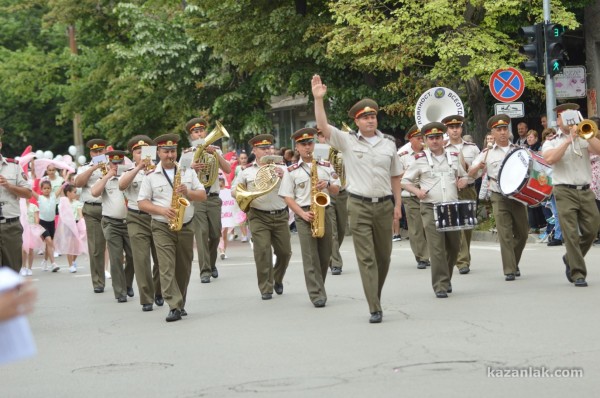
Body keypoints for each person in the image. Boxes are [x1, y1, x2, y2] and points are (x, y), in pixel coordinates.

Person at [311, 75, 403, 324]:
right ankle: (375, 307)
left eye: (372, 116)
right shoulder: (348, 141)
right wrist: (318, 99)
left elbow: (396, 176)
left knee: (384, 258)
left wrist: (398, 206)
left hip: (384, 205)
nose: (370, 120)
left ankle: (375, 295)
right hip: (359, 205)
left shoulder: (388, 144)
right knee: (366, 258)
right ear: (357, 121)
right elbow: (323, 126)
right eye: (365, 117)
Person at [138, 134, 207, 322]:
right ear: (158, 153)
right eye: (166, 152)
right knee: (166, 266)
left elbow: (202, 195)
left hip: (185, 224)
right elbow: (142, 202)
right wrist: (161, 209)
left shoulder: (188, 171)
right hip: (161, 225)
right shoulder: (151, 175)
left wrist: (188, 192)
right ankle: (174, 305)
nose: (170, 155)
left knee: (183, 267)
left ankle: (180, 302)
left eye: (172, 151)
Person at [402, 122, 468, 297]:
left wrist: (464, 181)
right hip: (431, 207)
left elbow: (464, 175)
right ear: (425, 140)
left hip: (452, 207)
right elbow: (405, 181)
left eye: (438, 137)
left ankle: (446, 278)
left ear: (442, 138)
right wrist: (417, 191)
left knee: (454, 246)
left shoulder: (453, 156)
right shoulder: (419, 160)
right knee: (437, 247)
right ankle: (440, 285)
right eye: (431, 138)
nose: (435, 141)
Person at [279, 128, 340, 307]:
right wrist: (301, 213)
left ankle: (319, 285)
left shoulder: (326, 166)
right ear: (297, 147)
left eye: (310, 143)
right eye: (303, 144)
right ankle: (317, 294)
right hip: (304, 213)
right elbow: (287, 196)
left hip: (324, 210)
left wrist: (327, 184)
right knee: (310, 256)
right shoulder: (292, 170)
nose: (307, 147)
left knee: (325, 254)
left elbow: (337, 189)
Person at [542, 103, 600, 287]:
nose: (568, 120)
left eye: (571, 115)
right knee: (571, 234)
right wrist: (568, 141)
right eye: (563, 117)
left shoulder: (585, 135)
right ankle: (578, 273)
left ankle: (570, 258)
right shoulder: (552, 141)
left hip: (585, 189)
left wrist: (585, 131)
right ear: (558, 121)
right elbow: (550, 159)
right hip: (564, 191)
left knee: (592, 229)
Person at [232, 134, 291, 300]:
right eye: (263, 148)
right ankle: (266, 287)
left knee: (285, 252)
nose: (267, 150)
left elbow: (293, 189)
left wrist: (284, 176)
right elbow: (234, 190)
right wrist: (246, 194)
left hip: (280, 214)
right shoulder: (247, 172)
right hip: (258, 215)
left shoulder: (283, 169)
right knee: (262, 251)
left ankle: (277, 278)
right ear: (255, 150)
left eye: (269, 147)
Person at [470, 115, 528, 281]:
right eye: (498, 130)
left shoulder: (517, 149)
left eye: (505, 129)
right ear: (492, 133)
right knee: (505, 233)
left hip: (517, 195)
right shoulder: (486, 154)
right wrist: (476, 169)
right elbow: (472, 173)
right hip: (498, 195)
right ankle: (509, 269)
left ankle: (513, 262)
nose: (503, 132)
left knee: (523, 233)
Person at [119, 135, 163, 312]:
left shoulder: (159, 170)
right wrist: (138, 167)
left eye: (145, 152)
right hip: (136, 217)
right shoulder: (128, 170)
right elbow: (122, 185)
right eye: (138, 152)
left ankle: (159, 291)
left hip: (157, 217)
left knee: (160, 258)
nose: (142, 155)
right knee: (141, 259)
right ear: (133, 155)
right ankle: (146, 298)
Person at [185, 118, 232, 284]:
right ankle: (204, 271)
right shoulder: (187, 153)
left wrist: (215, 156)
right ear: (191, 135)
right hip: (197, 199)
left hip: (213, 197)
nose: (199, 133)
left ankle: (211, 264)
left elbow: (227, 169)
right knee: (201, 234)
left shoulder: (216, 150)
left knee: (215, 234)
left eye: (202, 131)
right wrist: (192, 167)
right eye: (195, 131)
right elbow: (181, 175)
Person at [91, 150, 135, 303]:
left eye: (119, 163)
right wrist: (107, 175)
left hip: (130, 222)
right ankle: (120, 291)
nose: (116, 166)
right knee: (116, 258)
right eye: (113, 163)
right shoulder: (105, 178)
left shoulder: (129, 175)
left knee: (133, 256)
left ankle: (127, 283)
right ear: (109, 164)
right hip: (111, 223)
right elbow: (94, 192)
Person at [442, 115, 481, 275]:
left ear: (461, 129)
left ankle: (464, 255)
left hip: (469, 189)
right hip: (451, 190)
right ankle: (462, 260)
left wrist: (469, 177)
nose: (455, 130)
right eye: (451, 127)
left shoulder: (472, 148)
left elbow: (481, 170)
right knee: (456, 224)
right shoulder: (443, 149)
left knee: (467, 225)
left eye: (457, 127)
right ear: (447, 130)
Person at [74, 139, 107, 293]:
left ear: (106, 151)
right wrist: (94, 167)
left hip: (111, 208)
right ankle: (98, 282)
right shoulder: (85, 168)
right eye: (95, 152)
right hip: (93, 209)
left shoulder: (114, 165)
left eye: (101, 151)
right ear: (90, 153)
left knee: (119, 248)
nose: (99, 154)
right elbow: (78, 183)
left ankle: (123, 282)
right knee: (96, 249)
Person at [317, 129, 348, 275]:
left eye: (326, 135)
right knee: (333, 231)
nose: (324, 139)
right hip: (326, 193)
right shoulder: (318, 151)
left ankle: (331, 254)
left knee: (342, 229)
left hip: (343, 192)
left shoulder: (342, 149)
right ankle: (336, 263)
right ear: (318, 138)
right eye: (322, 136)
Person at [398, 125, 430, 269]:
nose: (422, 141)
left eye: (423, 138)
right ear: (410, 139)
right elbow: (397, 177)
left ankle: (433, 253)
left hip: (429, 194)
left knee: (429, 226)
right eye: (418, 138)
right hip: (411, 195)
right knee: (416, 227)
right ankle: (422, 257)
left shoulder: (430, 153)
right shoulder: (402, 155)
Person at [54, 184, 87, 273]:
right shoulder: (63, 202)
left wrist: (82, 221)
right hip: (68, 225)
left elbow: (80, 214)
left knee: (77, 245)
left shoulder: (77, 203)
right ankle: (70, 265)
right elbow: (62, 214)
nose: (76, 194)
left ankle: (73, 261)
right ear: (68, 193)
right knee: (70, 245)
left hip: (76, 225)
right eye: (74, 192)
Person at [31, 180, 60, 272]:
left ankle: (45, 260)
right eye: (44, 188)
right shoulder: (39, 198)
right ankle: (53, 264)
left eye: (48, 188)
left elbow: (61, 188)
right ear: (41, 189)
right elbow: (31, 191)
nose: (46, 190)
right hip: (43, 223)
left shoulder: (53, 197)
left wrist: (65, 182)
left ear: (51, 189)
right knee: (48, 240)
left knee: (48, 244)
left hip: (51, 223)